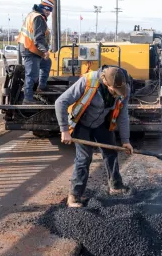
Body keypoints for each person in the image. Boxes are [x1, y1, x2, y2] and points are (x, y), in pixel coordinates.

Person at [55, 66, 134, 208]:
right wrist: (64, 130)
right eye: (114, 91)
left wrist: (125, 140)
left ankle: (115, 186)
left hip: (101, 122)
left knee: (111, 153)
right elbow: (60, 102)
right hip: (82, 123)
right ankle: (74, 196)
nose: (117, 95)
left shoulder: (124, 88)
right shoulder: (88, 81)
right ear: (105, 82)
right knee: (84, 158)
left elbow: (123, 116)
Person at [17, 0, 53, 104]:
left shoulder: (32, 15)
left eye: (50, 11)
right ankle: (27, 99)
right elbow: (38, 38)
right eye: (48, 10)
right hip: (30, 49)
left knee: (46, 63)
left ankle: (41, 87)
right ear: (44, 9)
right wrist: (45, 50)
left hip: (32, 49)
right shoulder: (38, 18)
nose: (49, 13)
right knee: (32, 74)